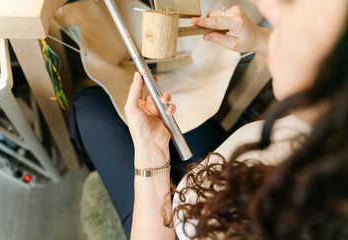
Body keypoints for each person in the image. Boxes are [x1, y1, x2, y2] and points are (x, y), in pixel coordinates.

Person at [69, 0, 348, 239]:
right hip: (214, 174)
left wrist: (150, 156)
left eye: (294, 13)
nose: (269, 6)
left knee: (87, 106)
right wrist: (264, 40)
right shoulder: (328, 126)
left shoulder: (285, 221)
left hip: (172, 224)